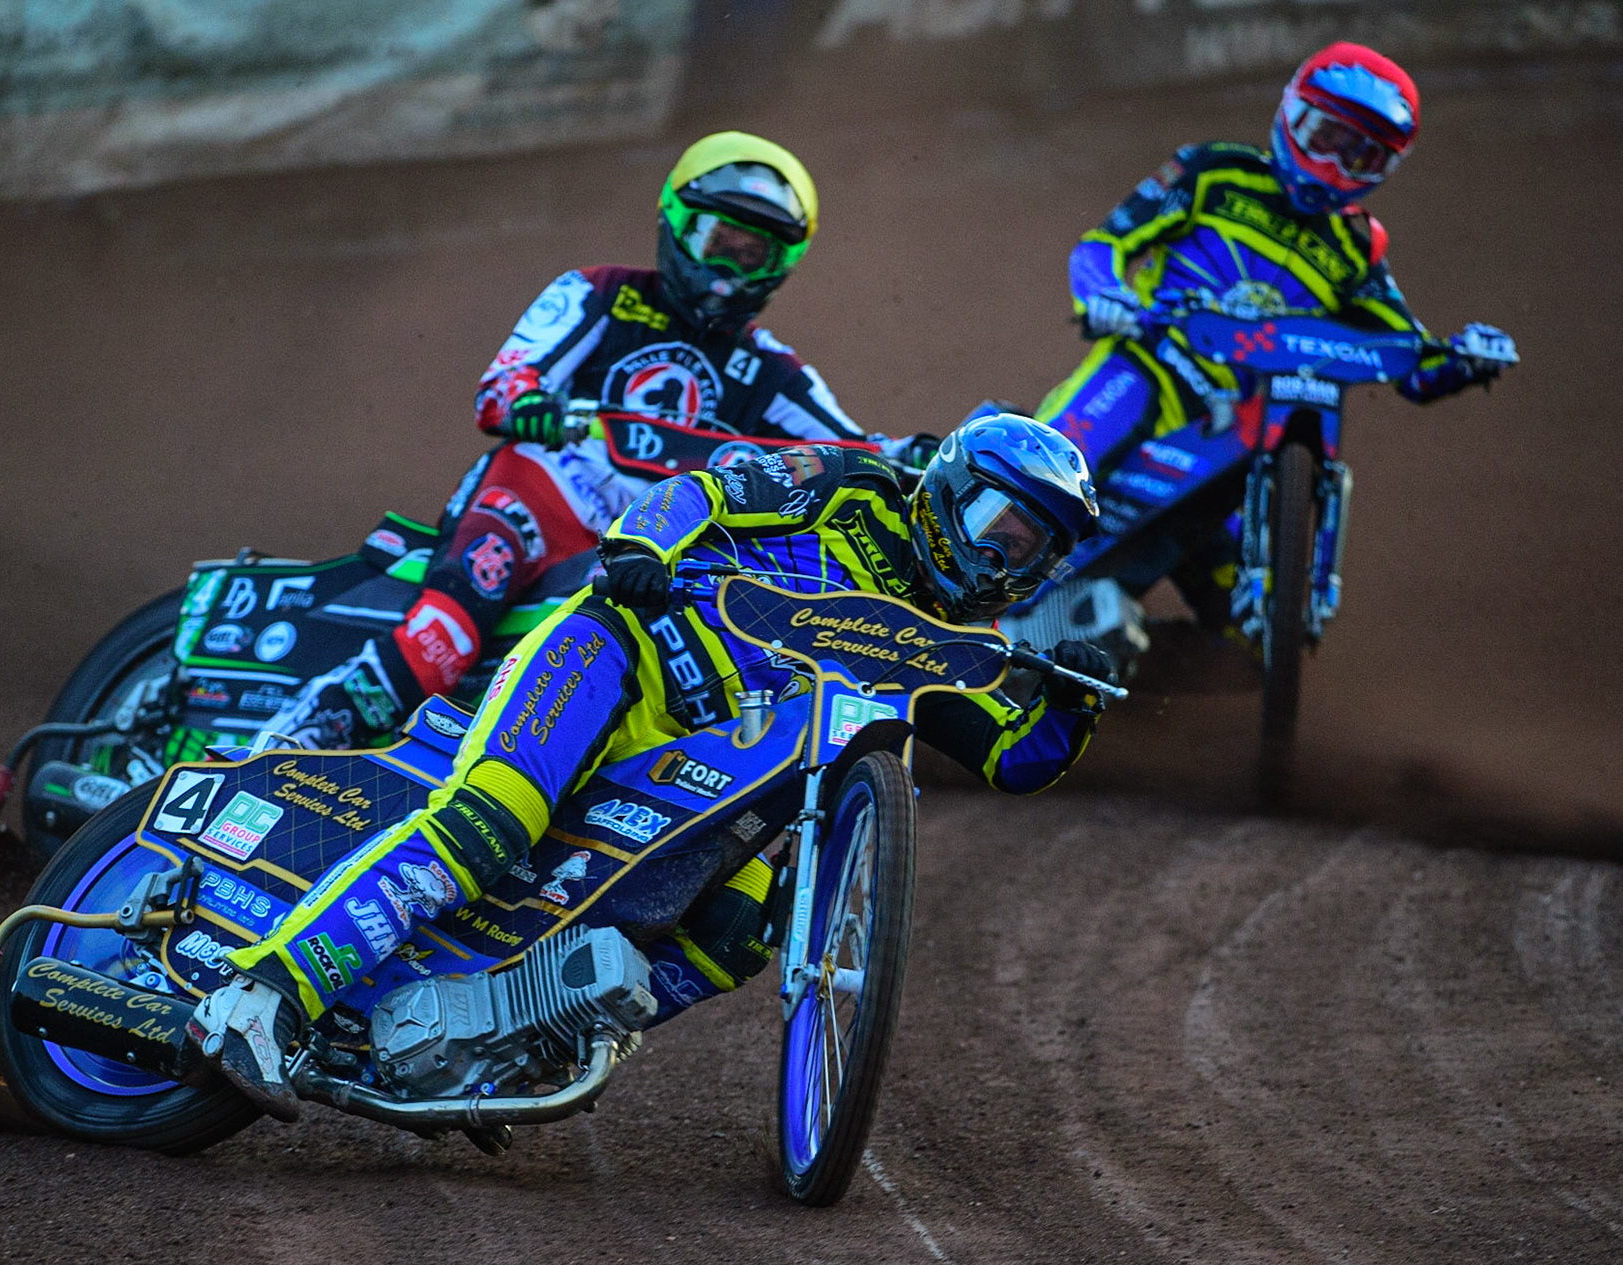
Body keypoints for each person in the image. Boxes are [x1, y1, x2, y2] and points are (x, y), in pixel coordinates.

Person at [190, 413, 1116, 1120]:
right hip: (620, 662)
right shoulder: (850, 483)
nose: (1004, 557)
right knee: (488, 823)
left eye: (1033, 549)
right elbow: (705, 489)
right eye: (1001, 523)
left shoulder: (964, 641)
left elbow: (1014, 757)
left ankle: (511, 1044)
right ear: (950, 487)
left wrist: (1076, 702)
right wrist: (639, 550)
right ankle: (261, 997)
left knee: (732, 934)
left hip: (728, 773)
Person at [266, 131, 938, 751]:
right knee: (444, 637)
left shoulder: (771, 370)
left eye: (749, 250)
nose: (726, 265)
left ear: (780, 263)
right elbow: (505, 378)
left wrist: (920, 456)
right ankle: (280, 744)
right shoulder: (599, 294)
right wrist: (527, 402)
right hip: (534, 498)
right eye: (715, 238)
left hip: (641, 544)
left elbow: (851, 452)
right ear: (675, 221)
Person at [1034, 41, 1518, 630]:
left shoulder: (1360, 248)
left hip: (1243, 430)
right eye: (1325, 138)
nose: (1332, 168)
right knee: (1048, 471)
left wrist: (1466, 359)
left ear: (1386, 168)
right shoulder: (1211, 172)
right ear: (1291, 114)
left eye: (1359, 156)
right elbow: (1103, 245)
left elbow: (1409, 360)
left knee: (1251, 620)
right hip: (1151, 369)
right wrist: (1106, 296)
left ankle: (1125, 650)